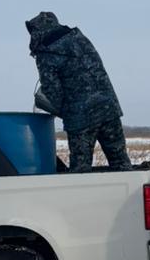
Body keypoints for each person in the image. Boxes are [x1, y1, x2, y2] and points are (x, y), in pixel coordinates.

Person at [25, 11, 131, 171]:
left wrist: (59, 108)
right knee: (121, 163)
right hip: (109, 110)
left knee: (80, 171)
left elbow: (52, 91)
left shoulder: (46, 54)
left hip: (80, 119)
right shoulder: (81, 40)